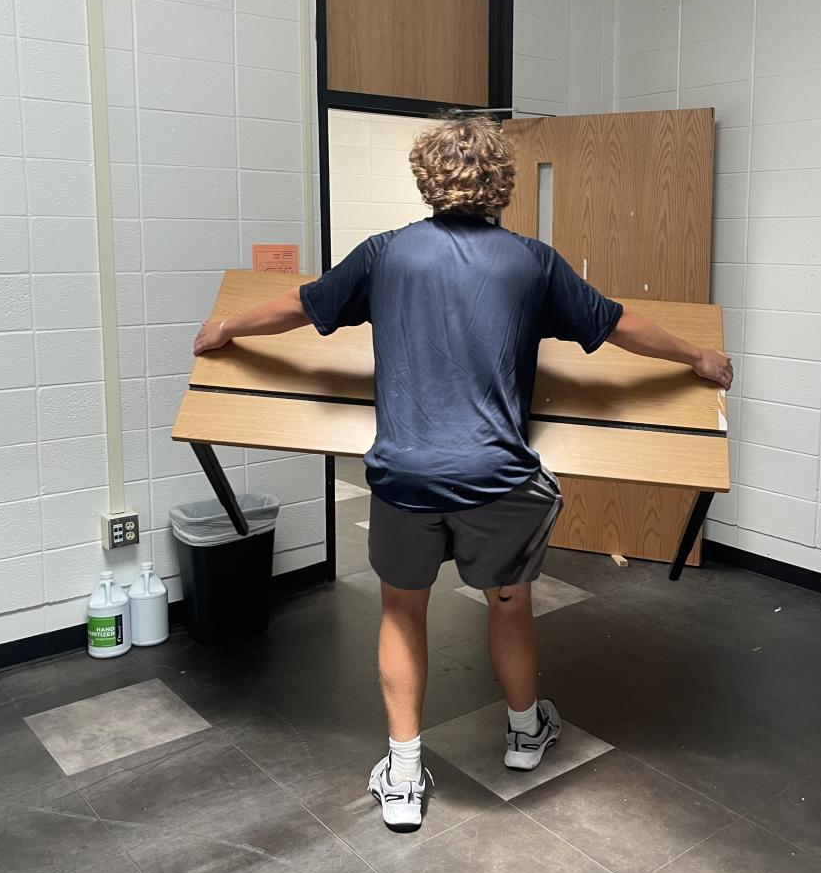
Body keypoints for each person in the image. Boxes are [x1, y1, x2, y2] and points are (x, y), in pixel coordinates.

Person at [194, 115, 732, 832]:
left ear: (427, 177)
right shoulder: (532, 262)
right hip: (497, 481)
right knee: (508, 604)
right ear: (502, 182)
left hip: (404, 478)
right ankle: (524, 734)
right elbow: (618, 323)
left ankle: (404, 775)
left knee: (401, 611)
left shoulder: (386, 253)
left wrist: (226, 328)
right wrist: (697, 356)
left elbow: (300, 305)